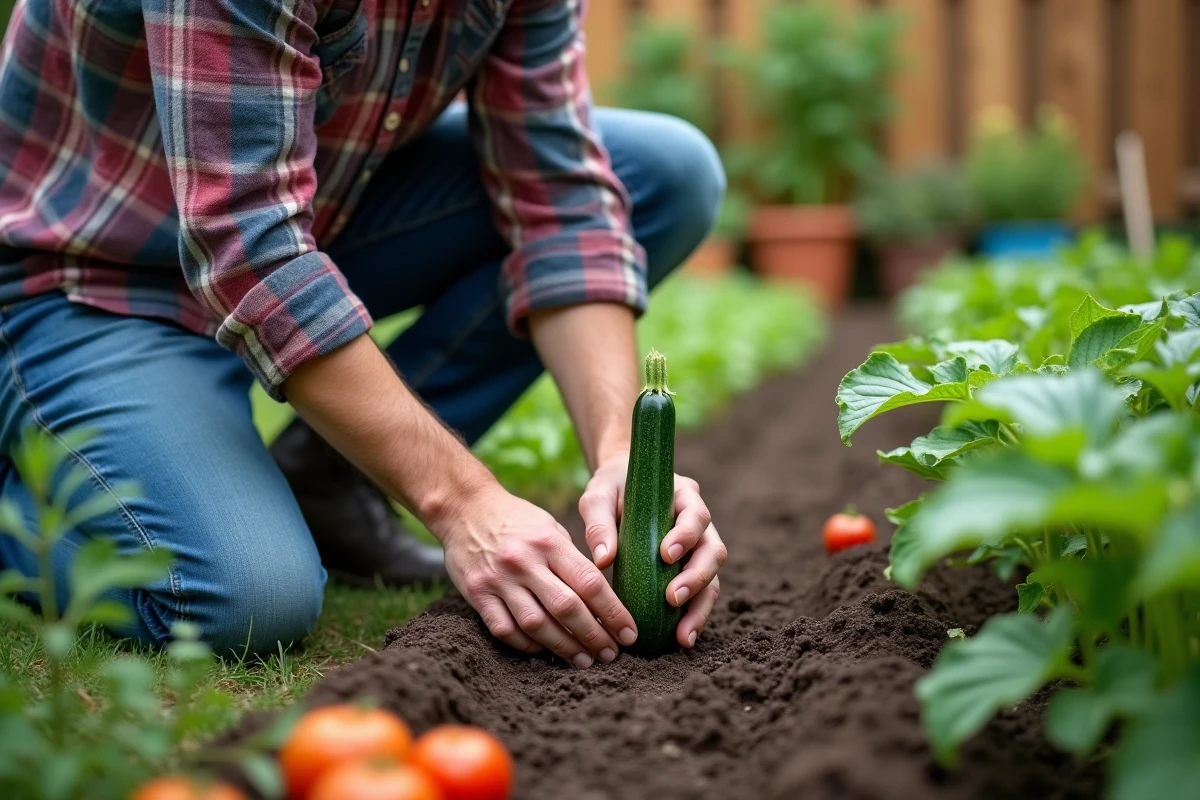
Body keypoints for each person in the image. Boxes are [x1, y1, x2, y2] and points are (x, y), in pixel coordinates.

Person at [0, 0, 727, 669]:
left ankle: (331, 475)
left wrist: (627, 459)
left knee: (662, 175)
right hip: (95, 273)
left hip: (314, 217)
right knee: (241, 601)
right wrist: (465, 503)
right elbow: (248, 246)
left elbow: (561, 205)